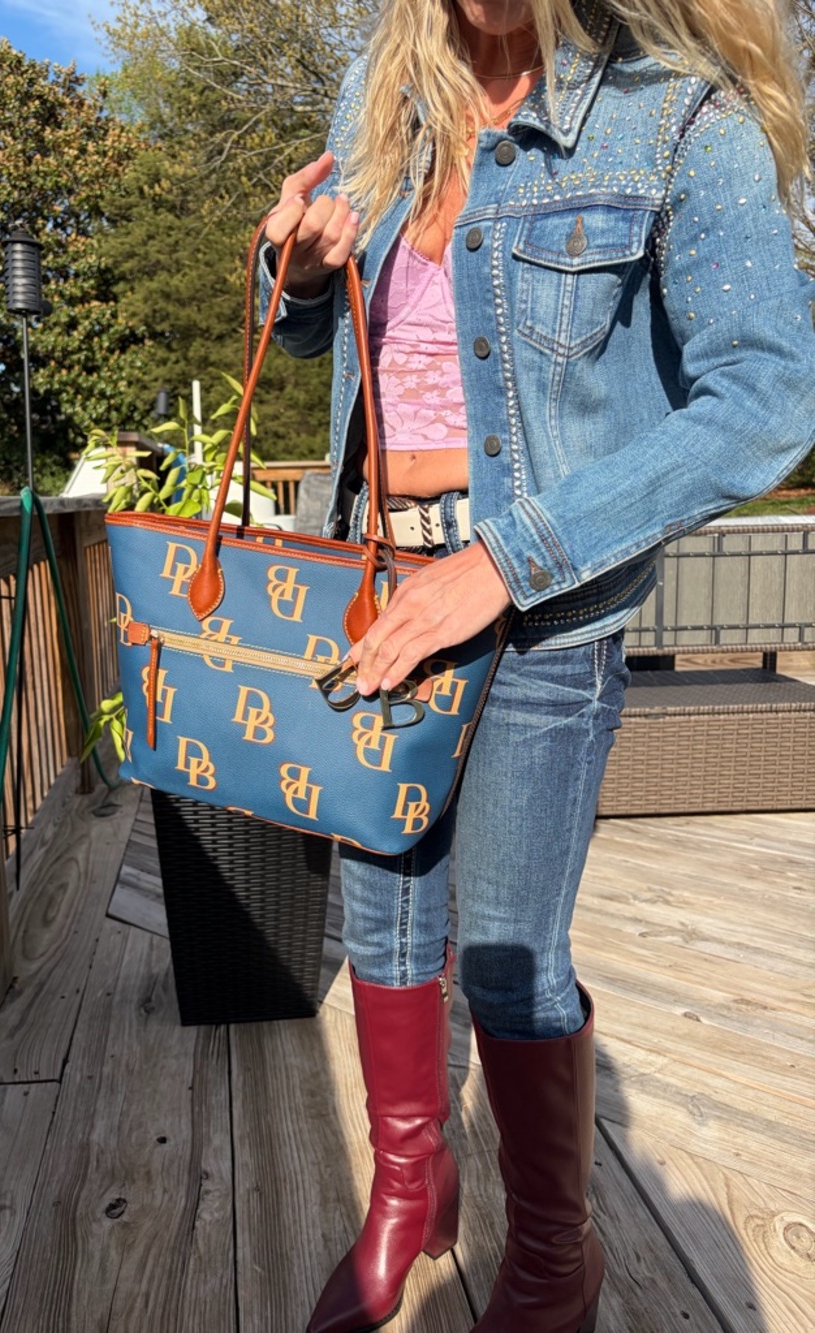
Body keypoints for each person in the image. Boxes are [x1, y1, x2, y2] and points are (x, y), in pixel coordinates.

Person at [261, 2, 813, 1330]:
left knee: (507, 954)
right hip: (377, 599)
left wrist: (503, 563)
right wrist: (300, 276)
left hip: (542, 613)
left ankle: (557, 1252)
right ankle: (411, 1192)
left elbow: (765, 397)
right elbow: (316, 345)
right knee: (386, 924)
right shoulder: (377, 98)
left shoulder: (679, 115)